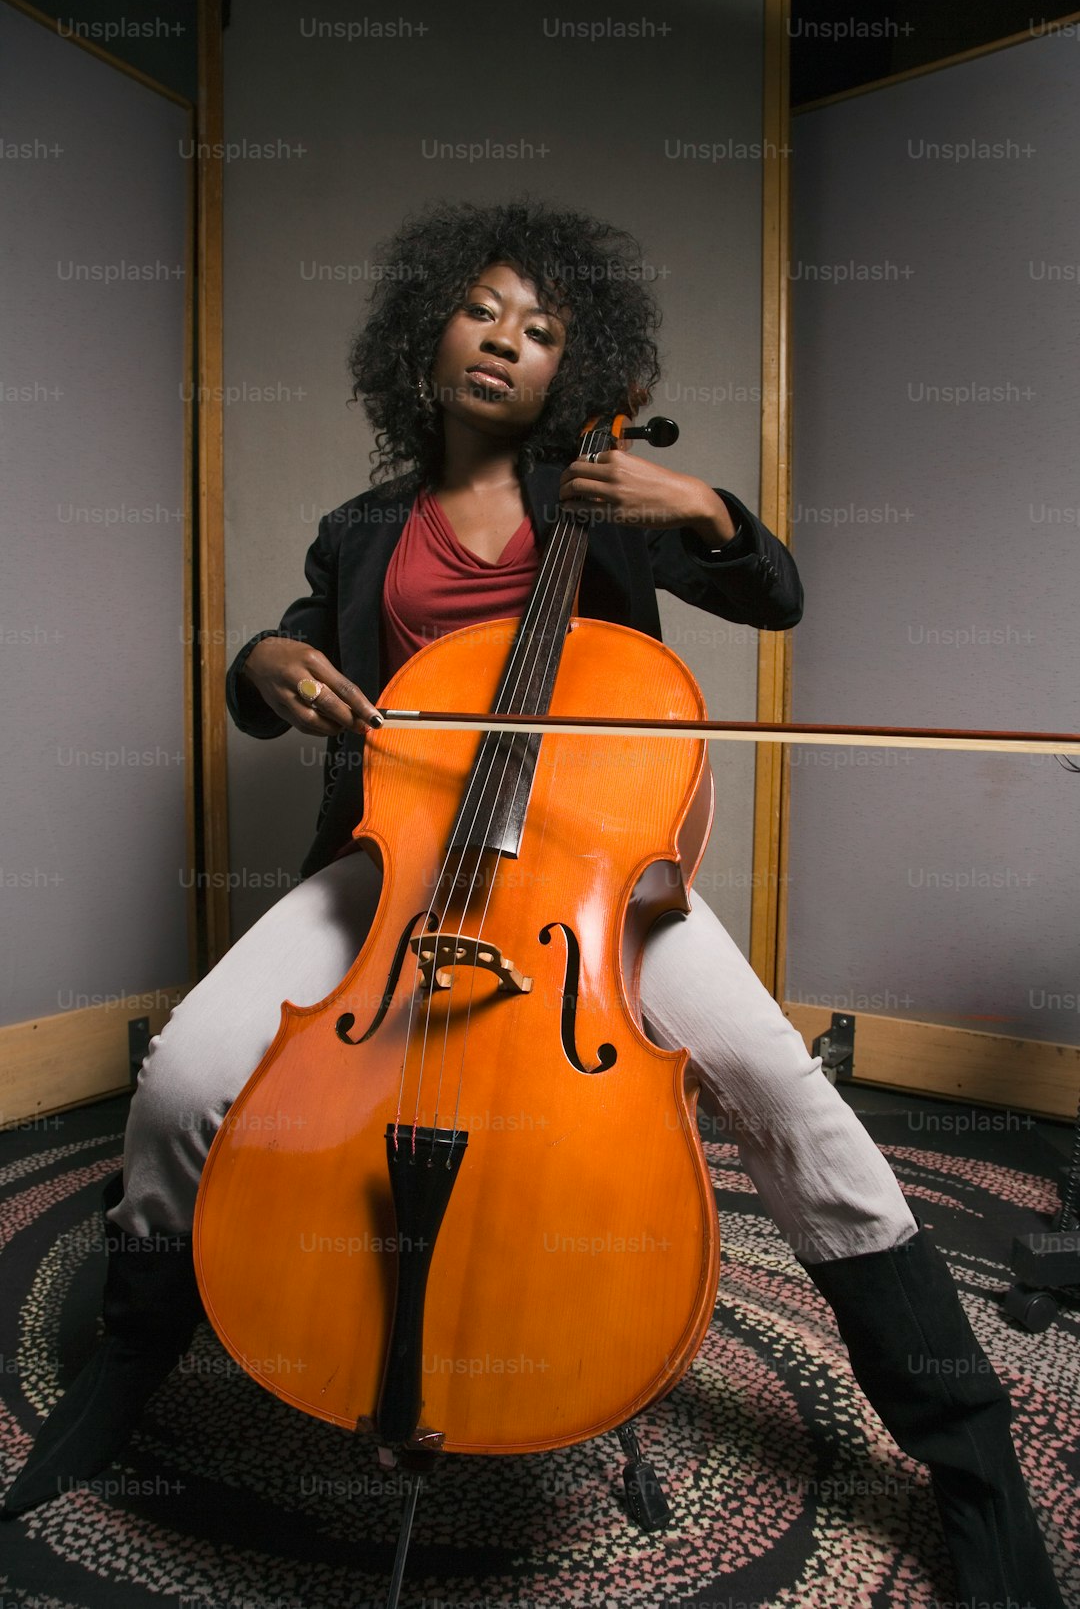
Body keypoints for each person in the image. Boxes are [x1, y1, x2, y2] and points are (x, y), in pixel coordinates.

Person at [3, 201, 1065, 1609]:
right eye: (483, 311)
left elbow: (778, 592)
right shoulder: (361, 527)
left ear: (580, 369)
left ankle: (971, 1462)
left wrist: (710, 512)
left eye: (544, 328)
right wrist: (264, 659)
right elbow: (291, 663)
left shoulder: (608, 502)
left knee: (784, 1092)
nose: (507, 341)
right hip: (398, 874)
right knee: (185, 1074)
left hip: (590, 878)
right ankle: (134, 1361)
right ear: (425, 334)